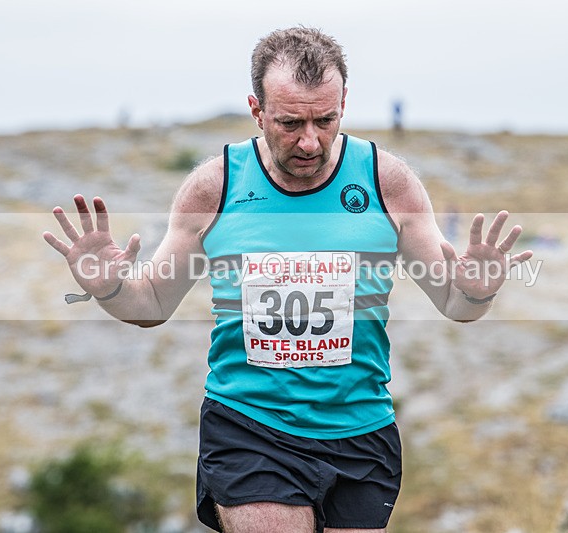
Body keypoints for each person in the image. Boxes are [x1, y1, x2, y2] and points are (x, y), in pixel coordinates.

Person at [43, 27, 533, 533]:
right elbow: (150, 305)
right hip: (249, 426)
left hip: (360, 429)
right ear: (257, 110)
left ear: (345, 102)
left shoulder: (389, 183)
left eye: (326, 120)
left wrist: (478, 289)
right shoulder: (215, 186)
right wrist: (108, 287)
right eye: (289, 122)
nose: (309, 141)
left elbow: (455, 303)